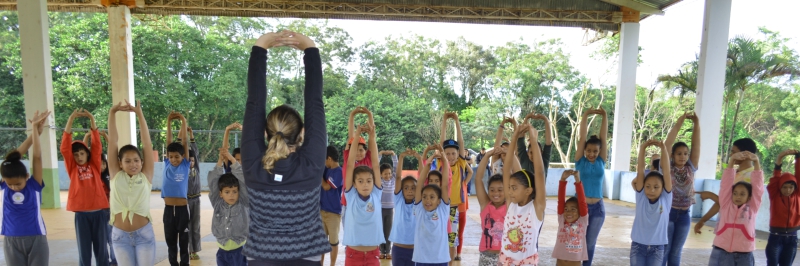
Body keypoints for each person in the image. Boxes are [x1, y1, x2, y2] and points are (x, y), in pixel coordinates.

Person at [241, 30, 331, 265]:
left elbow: (254, 101)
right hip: (306, 256)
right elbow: (315, 102)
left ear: (264, 133)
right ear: (302, 133)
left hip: (261, 256)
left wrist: (260, 48)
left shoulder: (253, 164)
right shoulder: (311, 164)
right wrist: (309, 49)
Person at [108, 100, 156, 265]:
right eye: (128, 161)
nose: (133, 164)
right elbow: (113, 142)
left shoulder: (146, 176)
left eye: (136, 160)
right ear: (120, 163)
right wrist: (112, 113)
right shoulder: (116, 175)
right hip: (120, 237)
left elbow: (147, 144)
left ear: (142, 162)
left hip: (144, 235)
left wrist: (139, 113)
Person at [62, 108, 110, 266]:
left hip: (99, 214)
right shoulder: (72, 168)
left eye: (82, 153)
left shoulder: (95, 165)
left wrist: (92, 120)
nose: (79, 157)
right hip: (81, 215)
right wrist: (71, 119)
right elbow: (64, 148)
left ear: (87, 154)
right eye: (76, 154)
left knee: (101, 250)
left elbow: (97, 146)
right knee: (84, 252)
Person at [1, 110, 50, 266]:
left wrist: (36, 131)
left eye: (18, 184)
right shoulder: (4, 186)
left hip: (36, 238)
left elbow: (36, 157)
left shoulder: (33, 185)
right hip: (10, 239)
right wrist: (34, 132)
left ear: (27, 176)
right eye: (10, 184)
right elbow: (11, 160)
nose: (14, 187)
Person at [500, 124, 546, 265]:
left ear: (528, 190)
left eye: (514, 188)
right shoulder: (511, 204)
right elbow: (506, 169)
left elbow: (539, 173)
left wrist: (533, 140)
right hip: (505, 262)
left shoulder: (536, 208)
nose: (509, 191)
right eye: (509, 187)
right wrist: (514, 138)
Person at [709, 150, 764, 265]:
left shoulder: (752, 208)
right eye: (735, 193)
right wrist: (732, 160)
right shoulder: (725, 205)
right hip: (721, 251)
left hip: (744, 254)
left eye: (742, 194)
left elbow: (758, 188)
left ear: (749, 197)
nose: (738, 196)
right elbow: (725, 185)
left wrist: (756, 163)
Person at [661, 112, 701, 266]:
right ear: (672, 155)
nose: (683, 157)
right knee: (665, 249)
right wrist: (680, 122)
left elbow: (696, 145)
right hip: (669, 213)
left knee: (676, 252)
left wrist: (696, 124)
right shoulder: (667, 168)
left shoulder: (690, 168)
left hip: (684, 215)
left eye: (685, 154)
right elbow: (667, 145)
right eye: (679, 154)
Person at [342, 123, 383, 265]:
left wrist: (372, 137)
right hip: (353, 255)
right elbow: (350, 164)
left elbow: (376, 165)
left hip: (373, 255)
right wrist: (356, 135)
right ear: (354, 183)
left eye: (368, 181)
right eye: (360, 181)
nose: (365, 184)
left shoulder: (376, 194)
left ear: (373, 182)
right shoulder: (351, 195)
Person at [574, 107, 608, 266]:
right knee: (577, 242)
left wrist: (605, 116)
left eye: (595, 151)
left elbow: (603, 137)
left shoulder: (601, 161)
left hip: (598, 209)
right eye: (589, 150)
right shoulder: (580, 161)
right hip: (581, 208)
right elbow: (582, 138)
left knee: (590, 244)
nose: (591, 153)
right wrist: (586, 115)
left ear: (599, 151)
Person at [630, 140, 673, 266]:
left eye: (656, 187)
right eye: (647, 186)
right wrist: (642, 147)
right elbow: (641, 170)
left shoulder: (665, 198)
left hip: (657, 249)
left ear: (662, 187)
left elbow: (666, 171)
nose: (651, 190)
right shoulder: (641, 197)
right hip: (638, 246)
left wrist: (664, 149)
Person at [438, 111, 473, 261]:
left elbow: (461, 141)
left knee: (453, 236)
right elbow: (441, 143)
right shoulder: (441, 163)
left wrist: (457, 121)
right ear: (443, 154)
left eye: (453, 153)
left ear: (458, 153)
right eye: (448, 153)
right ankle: (441, 257)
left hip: (454, 207)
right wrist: (445, 122)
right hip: (441, 205)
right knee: (440, 233)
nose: (451, 156)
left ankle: (451, 260)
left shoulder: (460, 163)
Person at [208, 148, 249, 266]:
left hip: (240, 251)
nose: (231, 195)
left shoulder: (243, 202)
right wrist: (220, 161)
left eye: (234, 191)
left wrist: (232, 159)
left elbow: (242, 179)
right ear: (220, 193)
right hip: (222, 252)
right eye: (227, 192)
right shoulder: (217, 202)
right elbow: (213, 182)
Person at [413, 145, 452, 266]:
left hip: (440, 260)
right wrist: (428, 163)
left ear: (439, 200)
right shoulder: (419, 210)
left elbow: (444, 185)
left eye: (432, 197)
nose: (427, 200)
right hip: (421, 260)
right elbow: (419, 184)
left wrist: (444, 159)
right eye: (424, 197)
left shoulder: (443, 210)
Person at [163, 112, 191, 266]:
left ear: (182, 157)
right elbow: (169, 140)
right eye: (171, 156)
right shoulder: (167, 163)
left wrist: (183, 120)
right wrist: (168, 121)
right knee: (171, 242)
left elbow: (185, 142)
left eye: (177, 157)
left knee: (184, 243)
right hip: (168, 210)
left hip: (182, 210)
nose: (174, 159)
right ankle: (173, 263)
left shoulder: (185, 165)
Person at [341, 107, 375, 226]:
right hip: (349, 203)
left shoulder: (368, 160)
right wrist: (352, 115)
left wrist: (369, 115)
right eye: (356, 150)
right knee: (350, 235)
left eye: (361, 150)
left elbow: (372, 138)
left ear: (366, 151)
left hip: (366, 202)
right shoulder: (348, 160)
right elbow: (351, 137)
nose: (358, 153)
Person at [766, 149, 800, 266]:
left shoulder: (797, 195)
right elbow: (776, 177)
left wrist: (798, 158)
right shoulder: (774, 195)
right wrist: (780, 157)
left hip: (792, 239)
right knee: (772, 264)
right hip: (776, 238)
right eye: (784, 187)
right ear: (779, 186)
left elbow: (799, 176)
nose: (788, 190)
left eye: (791, 187)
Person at [389, 149, 422, 266]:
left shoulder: (419, 203)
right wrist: (401, 157)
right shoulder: (399, 201)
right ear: (401, 190)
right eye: (406, 188)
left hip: (415, 249)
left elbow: (422, 180)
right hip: (398, 249)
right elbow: (398, 178)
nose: (409, 190)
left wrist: (419, 159)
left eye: (413, 188)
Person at [474, 146, 506, 266]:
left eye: (500, 190)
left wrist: (510, 156)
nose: (496, 193)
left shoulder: (511, 206)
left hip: (506, 256)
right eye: (492, 190)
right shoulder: (485, 205)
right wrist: (487, 155)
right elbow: (478, 179)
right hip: (486, 255)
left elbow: (516, 175)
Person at [552, 170, 588, 266]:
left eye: (573, 209)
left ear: (580, 211)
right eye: (566, 209)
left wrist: (577, 180)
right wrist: (563, 180)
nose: (569, 212)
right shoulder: (562, 219)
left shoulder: (582, 220)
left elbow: (582, 201)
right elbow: (560, 200)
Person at [320, 145, 343, 266]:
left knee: (333, 243)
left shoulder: (339, 172)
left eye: (324, 160)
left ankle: (332, 265)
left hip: (334, 213)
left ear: (329, 159)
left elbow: (326, 186)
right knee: (322, 243)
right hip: (321, 211)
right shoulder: (326, 168)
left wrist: (319, 175)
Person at [184, 127, 202, 261]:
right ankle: (187, 249)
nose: (191, 162)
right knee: (187, 227)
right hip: (185, 201)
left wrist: (191, 135)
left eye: (193, 160)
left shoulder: (196, 169)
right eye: (189, 160)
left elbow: (195, 152)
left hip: (196, 200)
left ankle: (195, 250)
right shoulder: (183, 170)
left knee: (195, 226)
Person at [519, 113, 553, 179]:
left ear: (542, 153)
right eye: (531, 152)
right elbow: (521, 137)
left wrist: (545, 119)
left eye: (537, 152)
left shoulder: (544, 161)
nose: (533, 155)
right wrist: (527, 118)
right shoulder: (524, 159)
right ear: (527, 153)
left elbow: (548, 142)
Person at [379, 150, 398, 259]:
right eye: (385, 173)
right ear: (381, 174)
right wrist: (380, 155)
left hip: (390, 209)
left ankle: (388, 251)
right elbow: (376, 167)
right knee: (381, 230)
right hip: (380, 209)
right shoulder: (380, 181)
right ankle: (382, 251)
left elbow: (396, 167)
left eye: (389, 173)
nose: (388, 175)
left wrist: (393, 155)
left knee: (388, 231)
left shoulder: (393, 179)